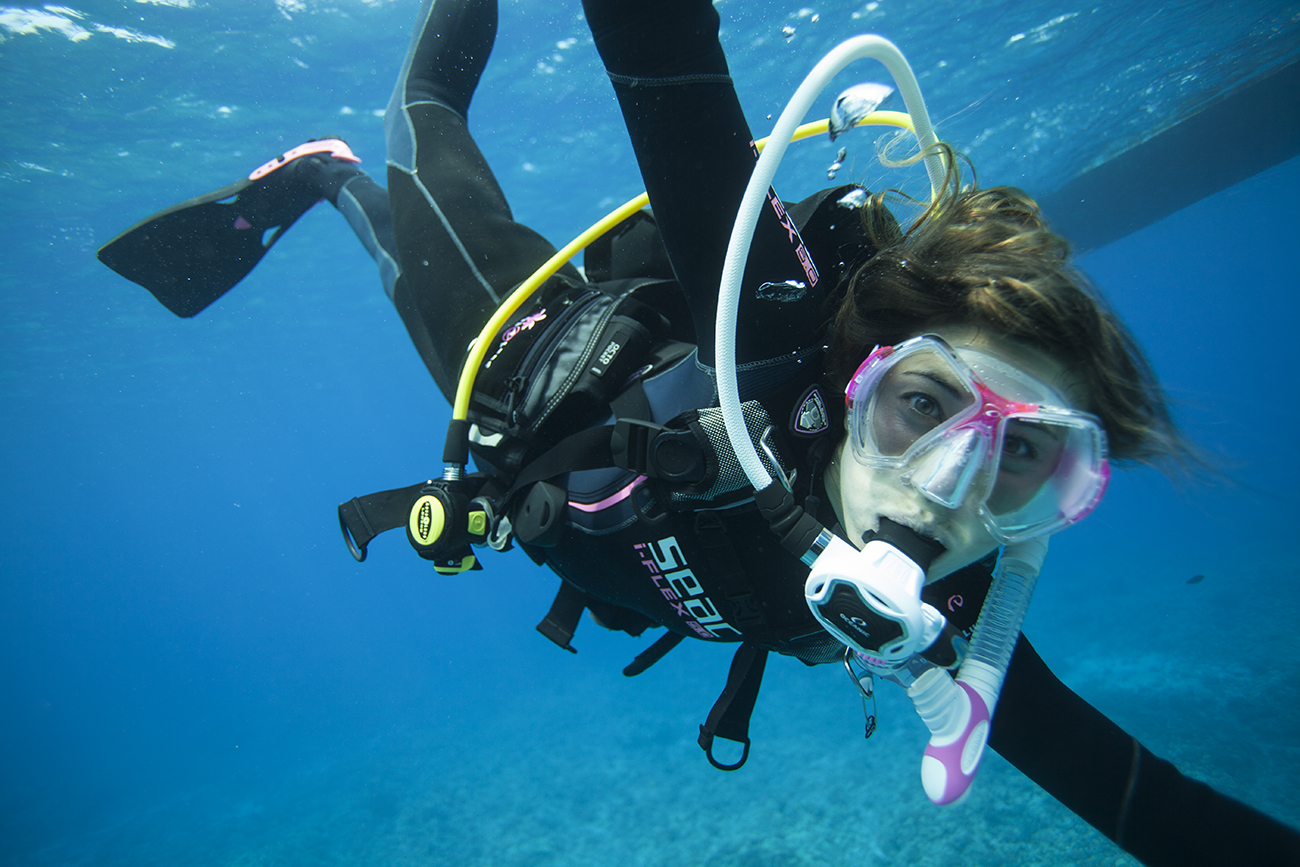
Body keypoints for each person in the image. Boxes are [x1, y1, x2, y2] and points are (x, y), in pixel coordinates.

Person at [98, 0, 1300, 863]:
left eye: (1022, 456)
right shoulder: (781, 341)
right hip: (528, 355)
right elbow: (663, 50)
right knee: (423, 128)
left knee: (385, 237)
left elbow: (1148, 803)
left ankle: (331, 180)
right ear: (852, 375)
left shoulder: (963, 631)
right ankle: (325, 172)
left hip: (559, 499)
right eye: (924, 407)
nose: (945, 494)